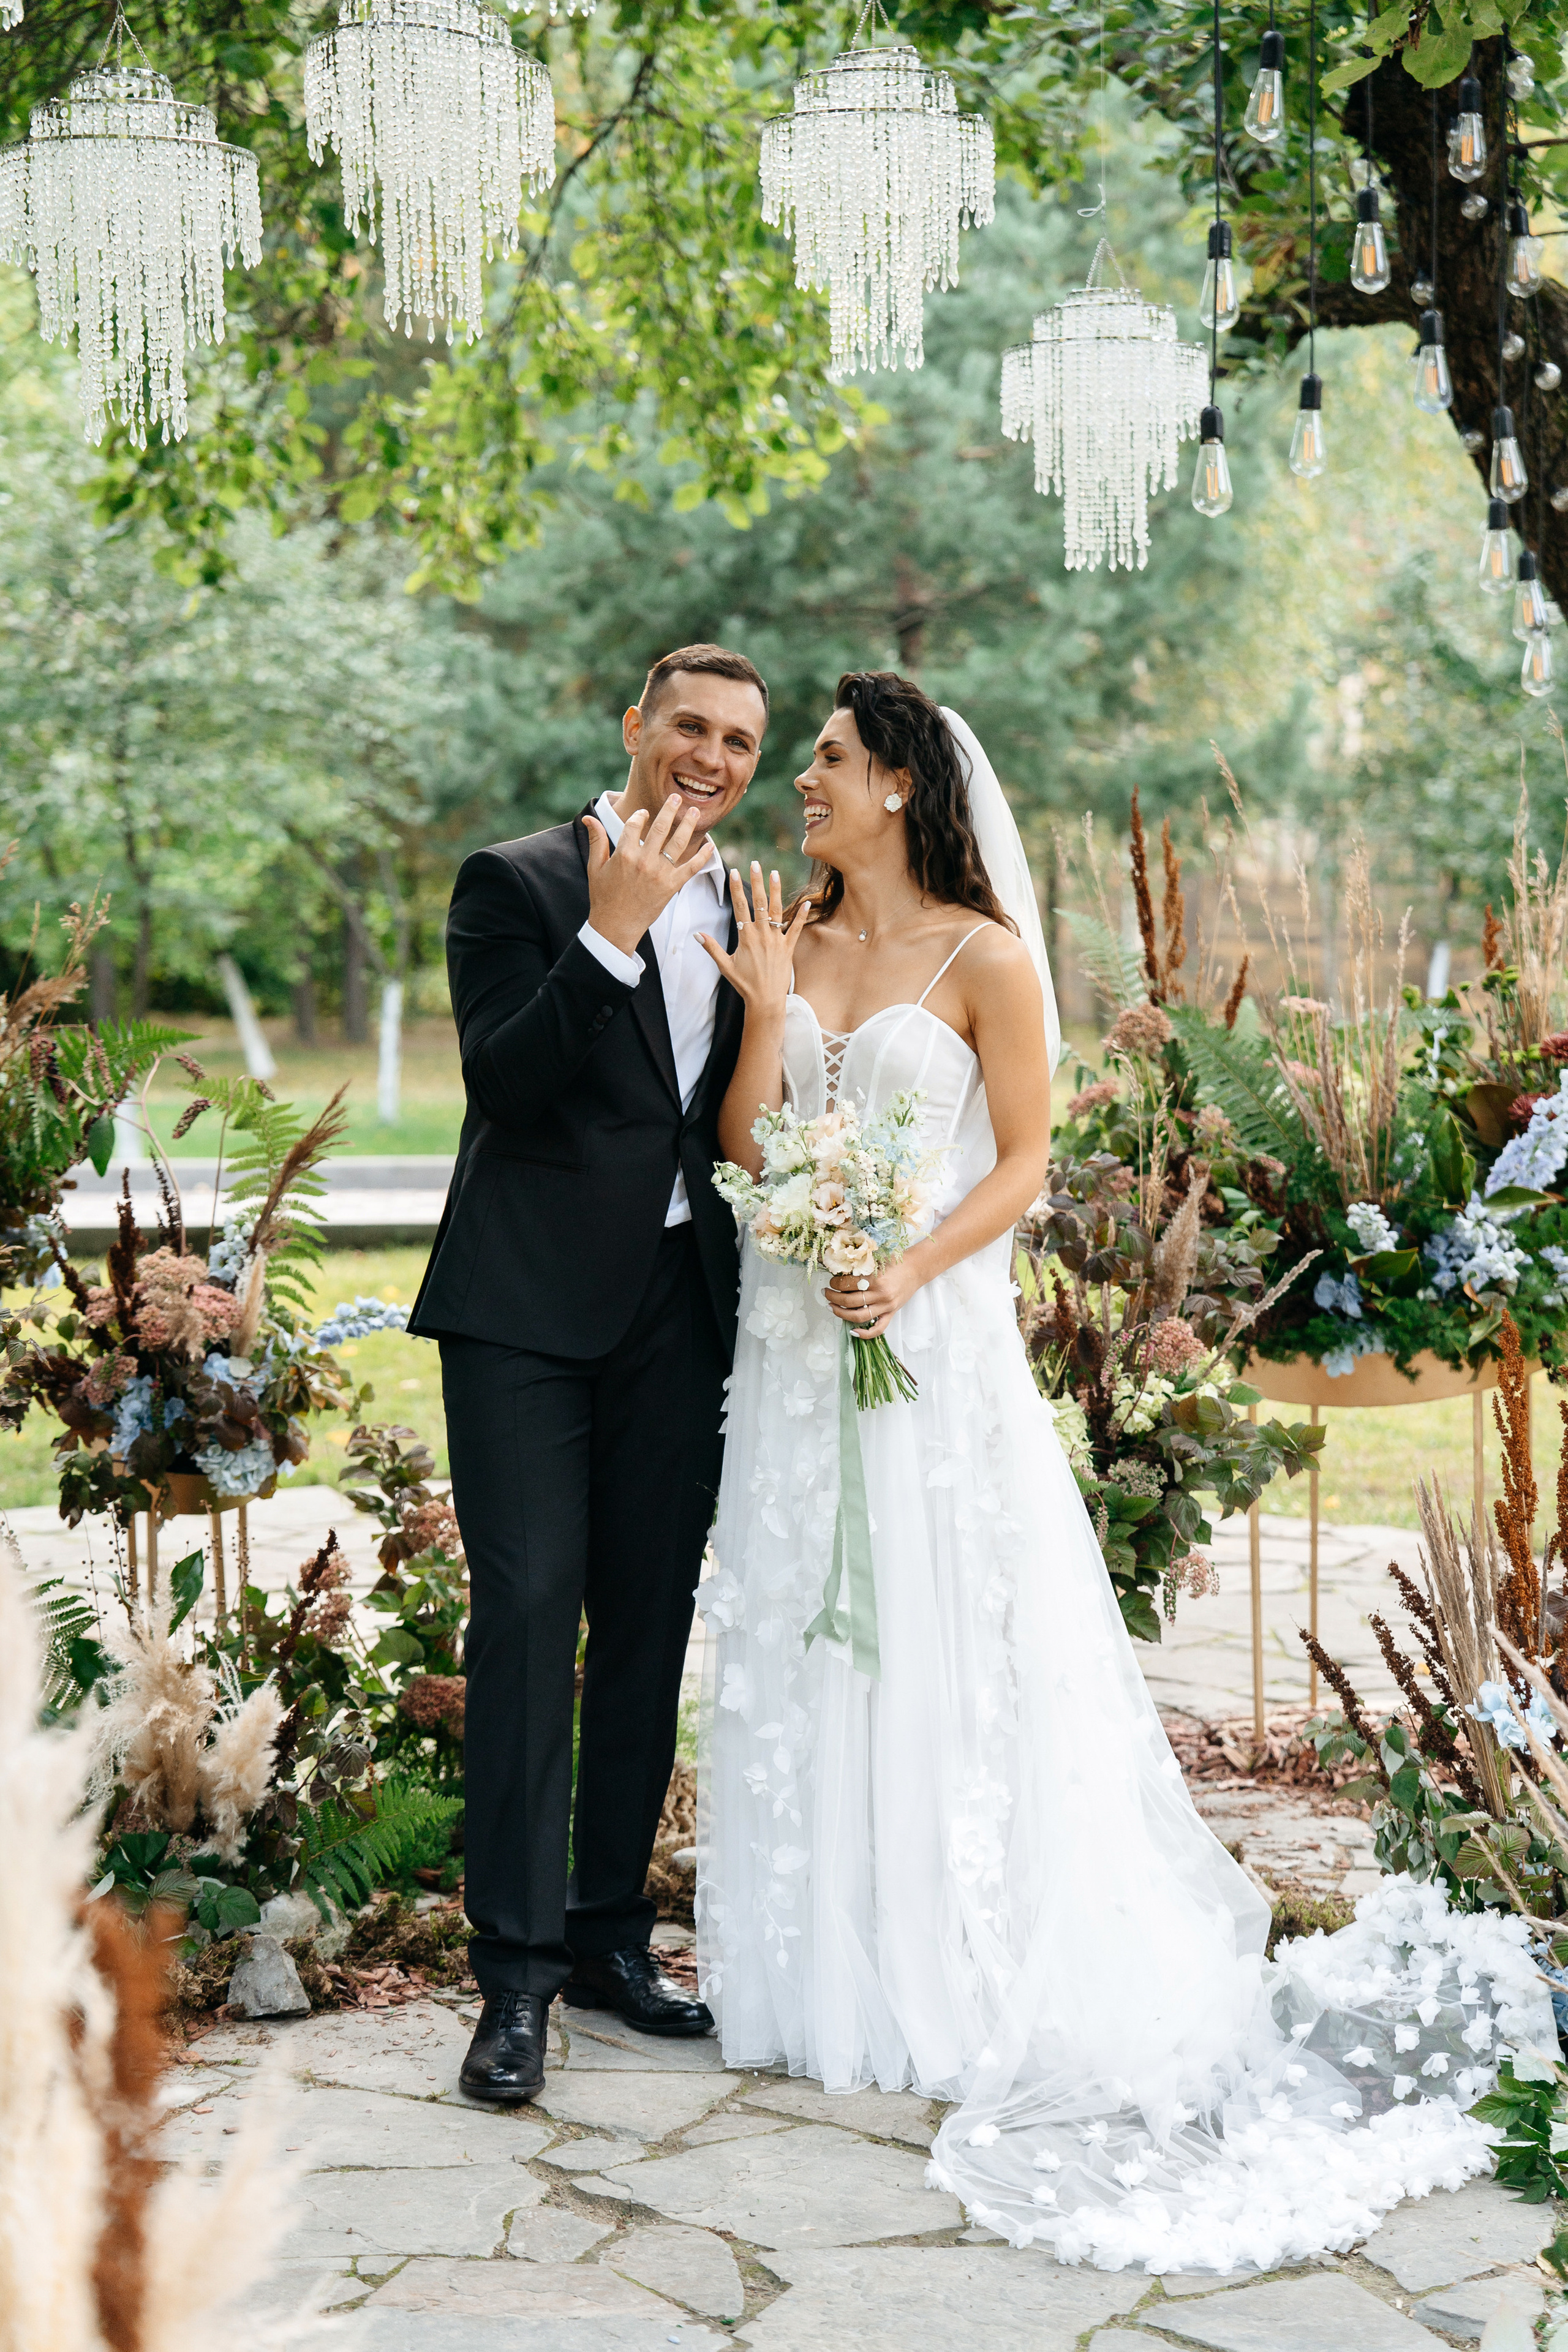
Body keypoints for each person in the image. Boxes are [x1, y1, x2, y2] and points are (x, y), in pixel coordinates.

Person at [692, 671, 1551, 2272]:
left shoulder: (988, 959)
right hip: (795, 1353)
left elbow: (1016, 1165)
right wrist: (758, 1013)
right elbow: (748, 1143)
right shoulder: (789, 942)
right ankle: (813, 1976)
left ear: (899, 783)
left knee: (946, 1639)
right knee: (799, 1640)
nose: (799, 782)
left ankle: (952, 1971)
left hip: (927, 1349)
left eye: (822, 759)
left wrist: (907, 1268)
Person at [409, 643, 768, 2104]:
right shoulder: (515, 881)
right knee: (529, 1618)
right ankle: (514, 1981)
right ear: (631, 725)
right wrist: (609, 936)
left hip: (678, 1315)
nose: (712, 756)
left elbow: (730, 1108)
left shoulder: (752, 905)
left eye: (740, 740)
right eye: (687, 725)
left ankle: (613, 1939)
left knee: (643, 1630)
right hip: (522, 1322)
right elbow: (503, 1081)